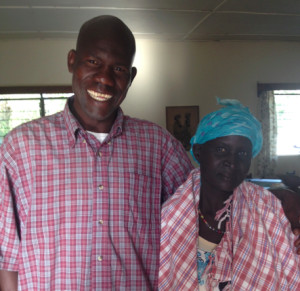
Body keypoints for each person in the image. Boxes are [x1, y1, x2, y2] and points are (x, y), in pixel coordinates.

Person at [0, 15, 193, 290]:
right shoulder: (20, 148)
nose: (104, 78)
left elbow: (194, 229)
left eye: (118, 68)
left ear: (131, 77)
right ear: (72, 61)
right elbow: (7, 258)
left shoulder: (159, 146)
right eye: (93, 62)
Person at [159, 98, 300, 290]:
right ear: (199, 152)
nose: (232, 162)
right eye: (221, 149)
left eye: (242, 154)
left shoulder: (269, 209)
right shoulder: (170, 219)